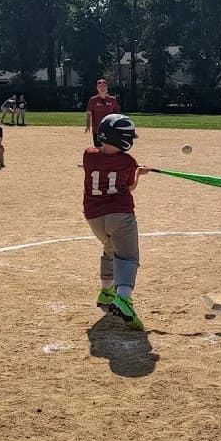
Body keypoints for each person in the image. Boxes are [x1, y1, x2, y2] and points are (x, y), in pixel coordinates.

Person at [82, 113, 150, 331]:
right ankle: (123, 298)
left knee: (110, 249)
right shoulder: (128, 162)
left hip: (94, 217)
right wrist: (138, 173)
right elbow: (129, 187)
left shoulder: (88, 155)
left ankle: (106, 292)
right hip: (120, 215)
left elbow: (104, 165)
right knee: (128, 257)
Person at [85, 78, 120, 147]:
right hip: (97, 129)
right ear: (97, 88)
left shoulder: (112, 99)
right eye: (100, 87)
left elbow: (117, 114)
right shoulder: (93, 100)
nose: (102, 88)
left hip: (109, 129)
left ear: (106, 87)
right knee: (98, 149)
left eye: (104, 86)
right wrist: (88, 125)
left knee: (109, 149)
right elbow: (89, 113)